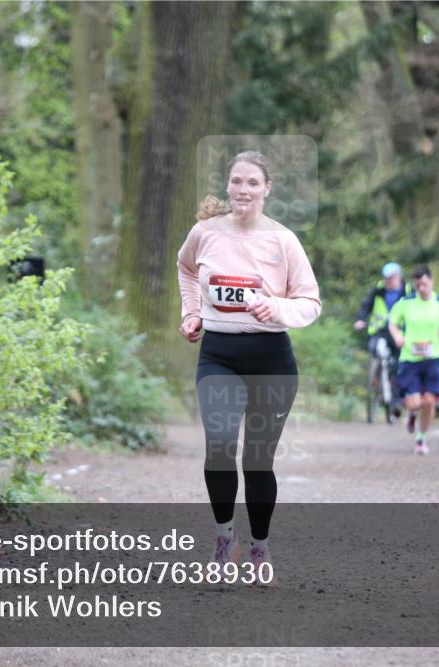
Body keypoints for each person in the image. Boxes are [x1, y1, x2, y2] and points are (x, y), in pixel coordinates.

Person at [177, 150, 321, 585]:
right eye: (237, 181)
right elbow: (185, 269)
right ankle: (225, 541)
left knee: (258, 460)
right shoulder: (205, 233)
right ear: (228, 185)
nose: (243, 190)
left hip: (271, 358)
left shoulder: (283, 240)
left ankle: (259, 547)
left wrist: (273, 306)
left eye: (252, 183)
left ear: (267, 189)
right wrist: (191, 312)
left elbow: (310, 302)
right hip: (218, 353)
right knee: (219, 446)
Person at [388, 264, 439, 455]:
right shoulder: (405, 302)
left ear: (431, 282)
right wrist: (397, 337)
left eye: (424, 284)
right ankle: (412, 413)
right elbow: (392, 322)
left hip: (433, 358)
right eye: (418, 285)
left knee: (429, 402)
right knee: (414, 403)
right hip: (410, 359)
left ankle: (420, 438)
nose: (421, 288)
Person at [353, 262, 406, 413]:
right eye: (386, 278)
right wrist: (360, 319)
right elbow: (366, 306)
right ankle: (377, 381)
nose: (388, 281)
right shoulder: (378, 291)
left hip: (398, 333)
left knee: (397, 365)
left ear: (398, 277)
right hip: (379, 330)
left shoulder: (407, 292)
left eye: (391, 278)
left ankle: (395, 399)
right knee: (376, 349)